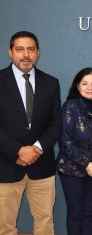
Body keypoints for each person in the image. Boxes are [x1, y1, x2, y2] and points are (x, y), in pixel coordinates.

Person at [0, 31, 61, 235]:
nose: (25, 55)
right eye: (19, 49)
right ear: (10, 52)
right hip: (5, 165)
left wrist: (35, 149)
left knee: (45, 223)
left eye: (30, 49)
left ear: (38, 53)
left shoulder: (51, 83)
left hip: (41, 165)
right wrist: (17, 151)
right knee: (5, 226)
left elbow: (56, 122)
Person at [56, 67, 92, 235]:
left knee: (89, 213)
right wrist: (87, 164)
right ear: (77, 86)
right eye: (85, 83)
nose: (90, 87)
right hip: (72, 169)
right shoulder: (70, 106)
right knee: (75, 214)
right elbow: (65, 142)